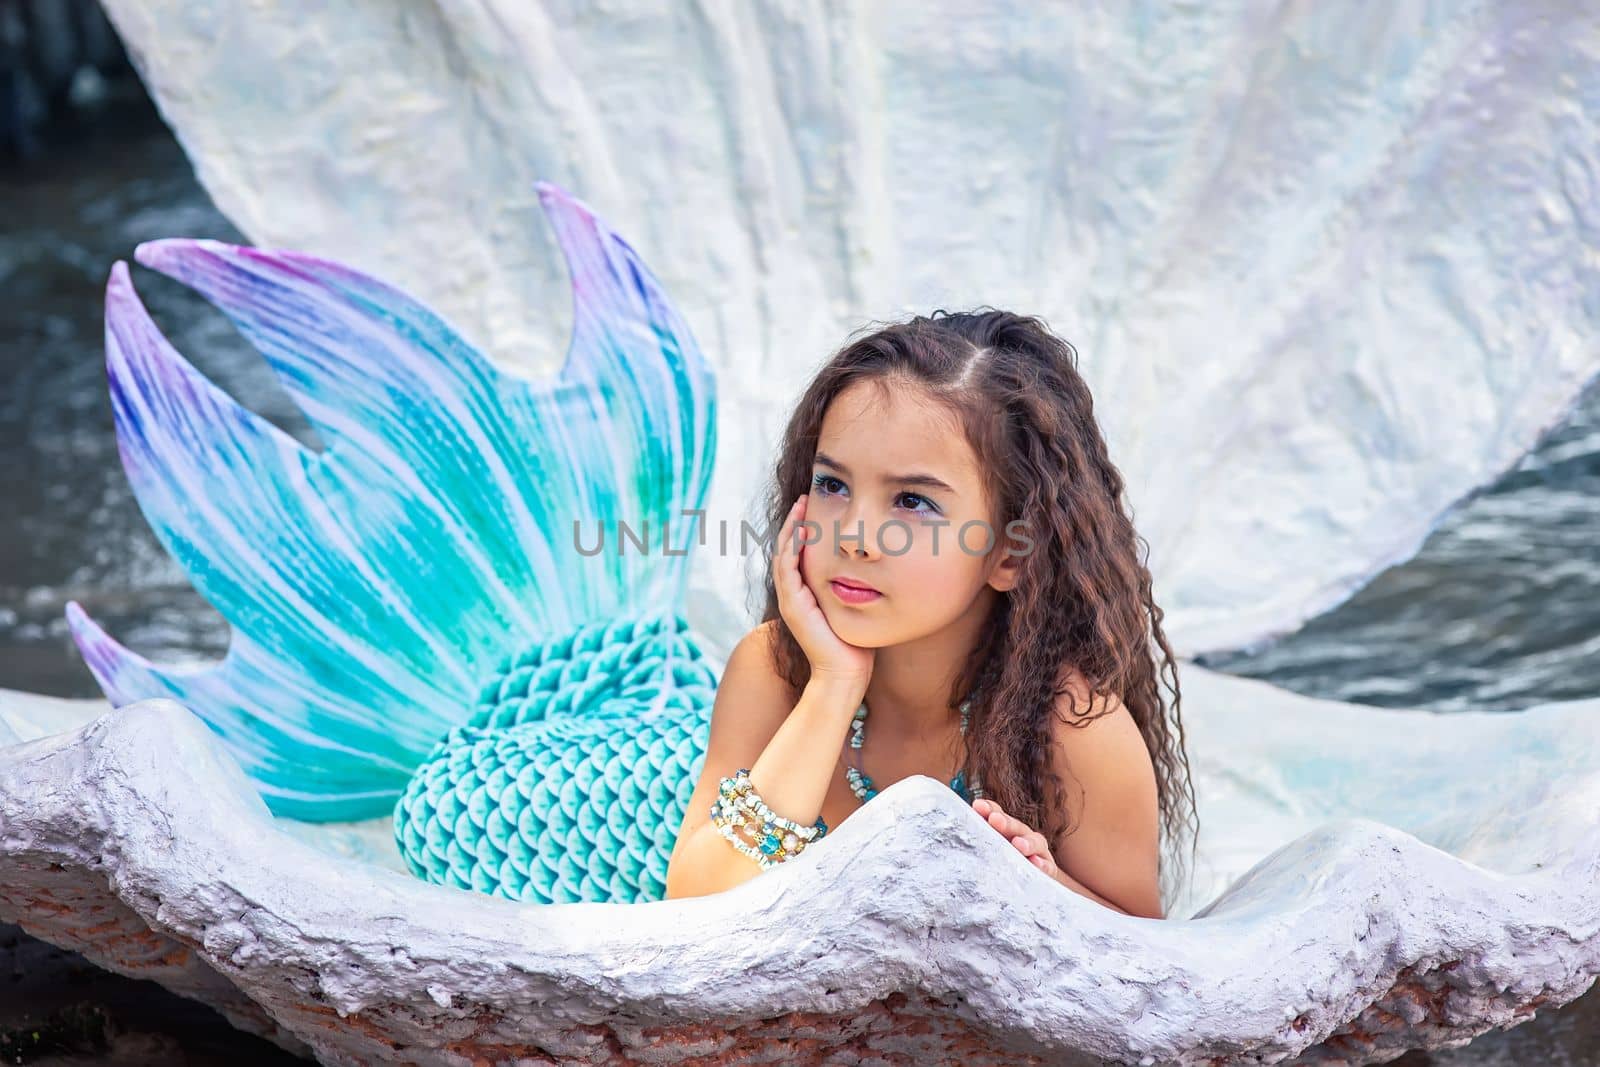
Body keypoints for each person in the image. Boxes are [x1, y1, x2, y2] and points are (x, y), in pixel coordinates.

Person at [663, 309, 1196, 918]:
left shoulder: (1074, 725)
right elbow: (693, 905)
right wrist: (833, 685)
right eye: (833, 486)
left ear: (1011, 553)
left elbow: (1150, 959)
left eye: (912, 501)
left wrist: (1047, 890)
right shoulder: (775, 670)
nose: (855, 536)